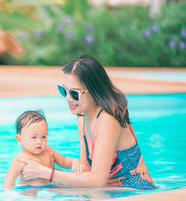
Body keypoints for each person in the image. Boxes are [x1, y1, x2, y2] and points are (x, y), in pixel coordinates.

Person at [19, 55, 155, 189]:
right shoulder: (83, 118)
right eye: (63, 90)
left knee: (50, 187)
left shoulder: (108, 119)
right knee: (42, 185)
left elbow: (97, 181)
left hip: (135, 188)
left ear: (94, 91)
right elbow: (86, 173)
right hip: (109, 188)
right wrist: (42, 171)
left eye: (74, 93)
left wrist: (46, 172)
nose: (67, 98)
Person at [3, 110, 83, 190]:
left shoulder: (48, 151)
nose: (39, 142)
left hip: (52, 187)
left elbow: (63, 161)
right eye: (34, 137)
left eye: (43, 137)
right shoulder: (20, 160)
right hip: (30, 191)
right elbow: (9, 181)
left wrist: (74, 161)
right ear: (19, 139)